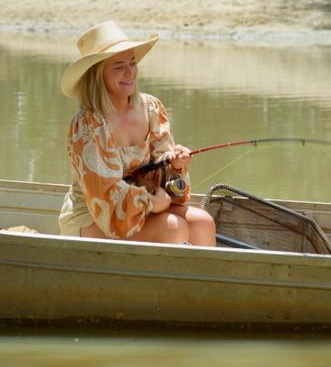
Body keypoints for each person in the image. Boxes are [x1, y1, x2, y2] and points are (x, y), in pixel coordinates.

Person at [58, 20, 216, 246]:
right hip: (94, 216)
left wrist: (177, 166)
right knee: (173, 228)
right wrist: (151, 204)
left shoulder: (152, 108)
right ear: (97, 75)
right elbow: (105, 195)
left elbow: (165, 179)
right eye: (118, 66)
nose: (130, 72)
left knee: (203, 222)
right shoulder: (88, 125)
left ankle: (203, 282)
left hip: (142, 204)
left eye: (132, 62)